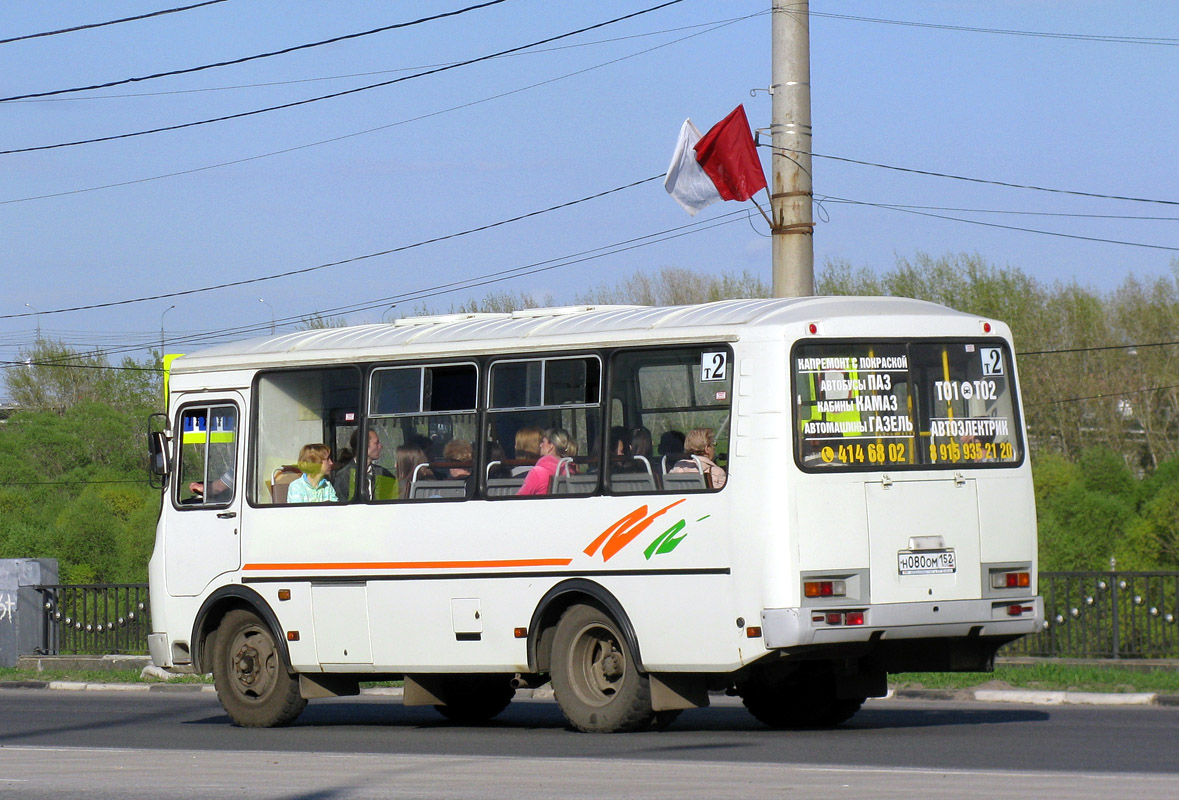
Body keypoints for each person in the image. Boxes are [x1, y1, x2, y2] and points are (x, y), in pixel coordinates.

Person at [333, 429, 397, 501]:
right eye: (376, 443)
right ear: (364, 446)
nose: (380, 446)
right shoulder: (344, 476)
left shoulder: (383, 474)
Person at [517, 428, 575, 496]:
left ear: (551, 446)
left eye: (543, 442)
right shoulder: (571, 471)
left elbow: (518, 500)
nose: (540, 445)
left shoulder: (538, 472)